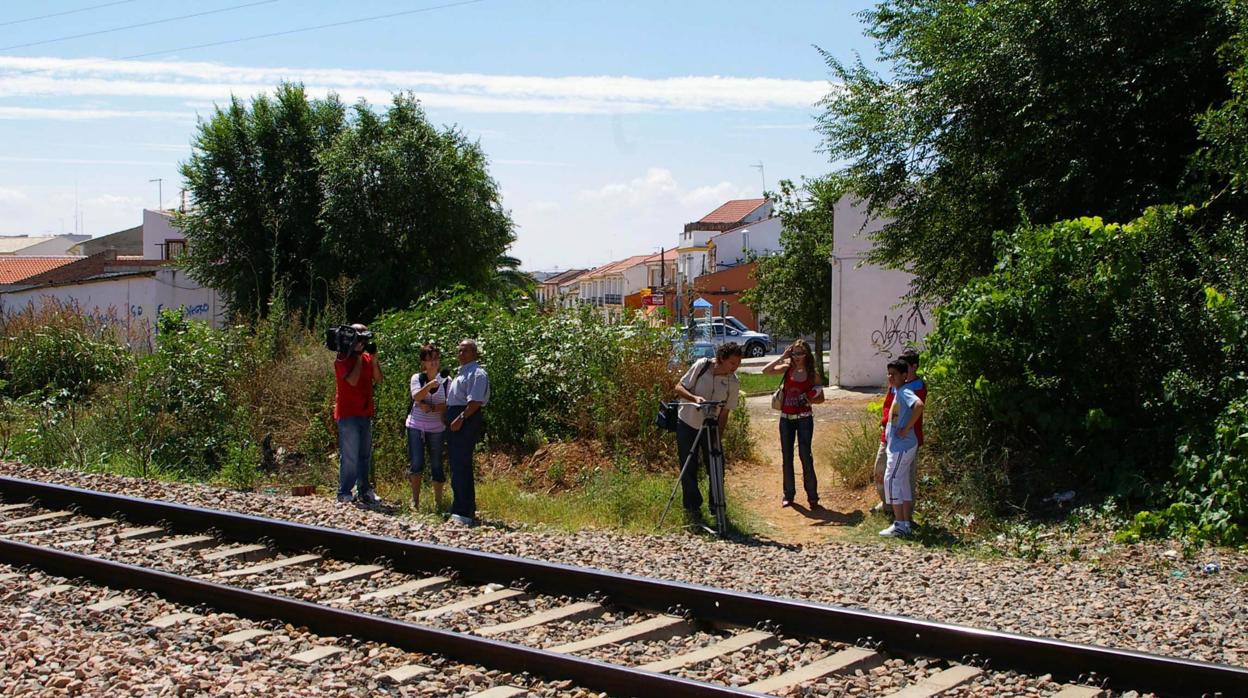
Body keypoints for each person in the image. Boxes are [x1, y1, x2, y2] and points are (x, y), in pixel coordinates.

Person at [672, 342, 743, 525]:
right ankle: (692, 509)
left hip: (710, 426)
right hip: (687, 422)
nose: (735, 367)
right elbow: (679, 387)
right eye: (732, 363)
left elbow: (725, 412)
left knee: (717, 466)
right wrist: (694, 398)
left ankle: (717, 508)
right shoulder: (702, 366)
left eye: (738, 363)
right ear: (721, 359)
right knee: (689, 467)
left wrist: (717, 437)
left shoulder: (733, 382)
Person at [762, 339, 825, 508]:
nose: (797, 357)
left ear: (807, 354)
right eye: (795, 353)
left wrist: (810, 399)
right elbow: (765, 371)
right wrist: (782, 357)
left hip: (804, 419)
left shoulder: (813, 373)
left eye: (801, 353)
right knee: (786, 457)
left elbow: (821, 397)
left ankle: (812, 496)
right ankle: (788, 494)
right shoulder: (787, 368)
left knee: (806, 456)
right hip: (786, 419)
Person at [334, 323, 382, 505]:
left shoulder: (367, 358)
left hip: (365, 412)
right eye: (359, 338)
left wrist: (374, 359)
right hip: (348, 414)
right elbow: (352, 380)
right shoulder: (342, 359)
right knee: (350, 455)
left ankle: (365, 490)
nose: (362, 342)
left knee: (364, 455)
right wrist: (360, 359)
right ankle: (344, 491)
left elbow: (378, 379)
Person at [873, 350, 926, 513]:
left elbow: (916, 408)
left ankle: (905, 513)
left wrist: (906, 428)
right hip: (889, 436)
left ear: (914, 367)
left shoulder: (915, 387)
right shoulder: (896, 385)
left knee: (904, 477)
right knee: (881, 471)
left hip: (905, 439)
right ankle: (888, 504)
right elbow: (888, 407)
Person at [445, 338, 490, 526]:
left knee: (461, 463)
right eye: (459, 350)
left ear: (474, 353)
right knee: (456, 464)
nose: (461, 354)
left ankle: (463, 511)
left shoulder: (477, 373)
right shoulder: (461, 372)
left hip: (465, 417)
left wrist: (461, 418)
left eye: (465, 351)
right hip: (456, 416)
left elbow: (475, 402)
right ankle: (461, 507)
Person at [881, 358, 923, 537]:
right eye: (889, 374)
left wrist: (906, 428)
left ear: (904, 376)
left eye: (895, 374)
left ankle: (899, 524)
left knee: (891, 480)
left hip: (902, 446)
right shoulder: (898, 391)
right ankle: (905, 522)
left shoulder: (905, 391)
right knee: (902, 482)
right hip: (898, 445)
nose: (891, 377)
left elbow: (919, 405)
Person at [406, 344, 448, 511]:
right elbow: (416, 396)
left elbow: (447, 405)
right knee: (416, 462)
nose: (434, 363)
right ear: (423, 362)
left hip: (437, 427)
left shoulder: (446, 381)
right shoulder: (417, 378)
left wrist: (430, 407)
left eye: (436, 359)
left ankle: (438, 502)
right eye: (430, 359)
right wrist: (429, 386)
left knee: (437, 463)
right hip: (416, 425)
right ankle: (414, 501)